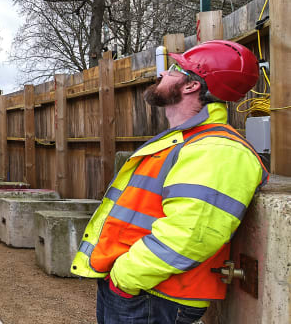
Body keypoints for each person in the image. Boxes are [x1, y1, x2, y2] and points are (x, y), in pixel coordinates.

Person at [71, 40, 268, 324]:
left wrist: (125, 277)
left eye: (175, 69)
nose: (163, 74)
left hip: (153, 297)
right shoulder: (186, 141)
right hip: (141, 292)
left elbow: (190, 234)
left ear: (191, 86)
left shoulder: (218, 150)